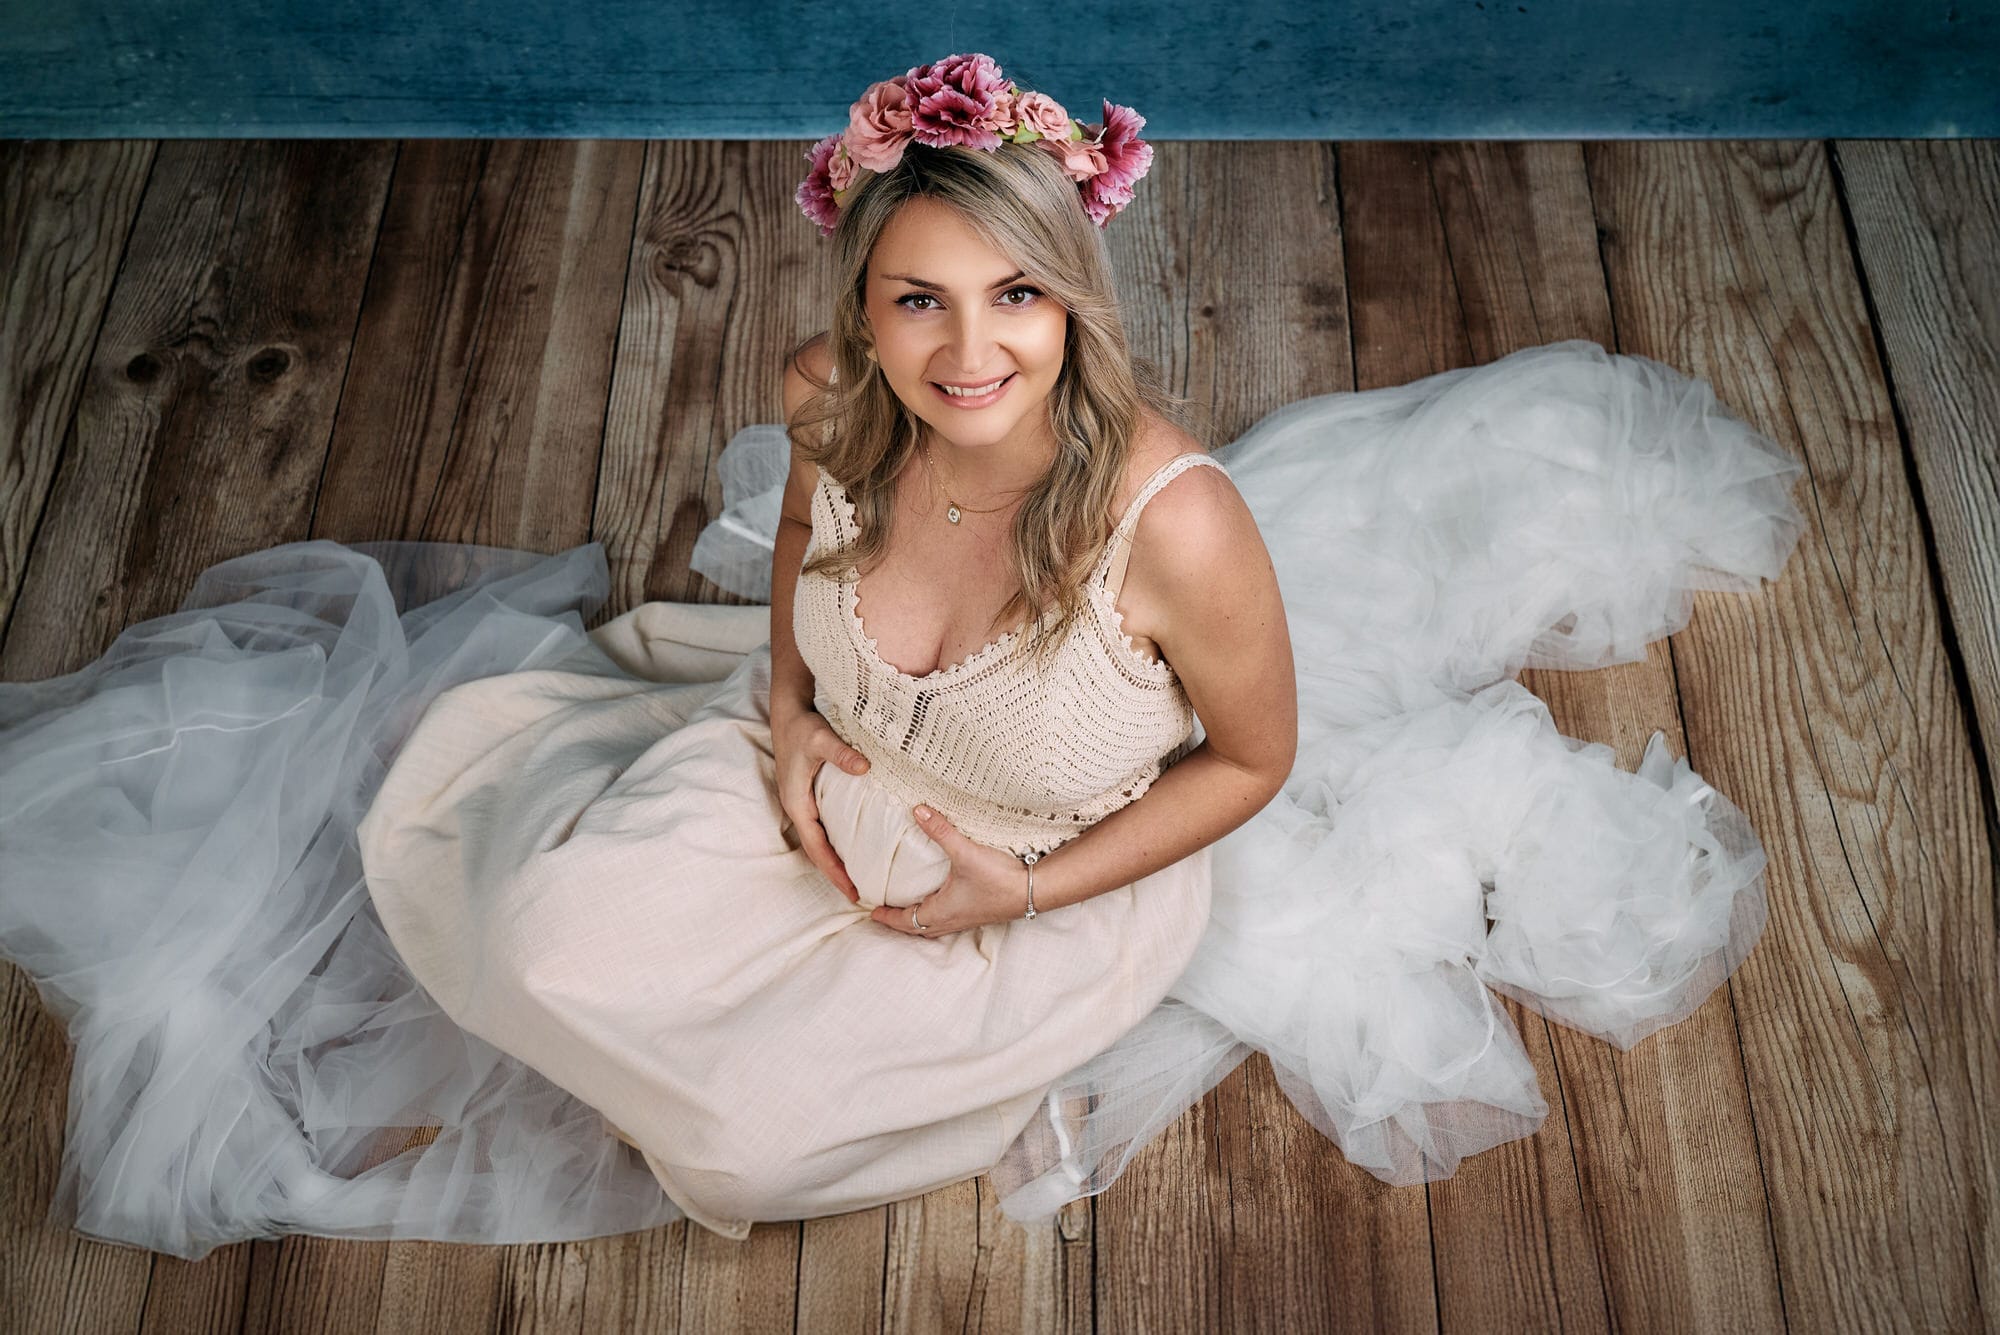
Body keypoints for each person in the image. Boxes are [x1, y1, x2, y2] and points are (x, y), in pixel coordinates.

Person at [0, 53, 1809, 1260]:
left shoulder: (1176, 527)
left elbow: (1251, 764)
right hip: (821, 761)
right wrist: (791, 722)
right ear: (863, 308)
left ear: (1073, 300)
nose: (968, 353)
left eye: (1015, 297)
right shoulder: (833, 397)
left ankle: (872, 1038)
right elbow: (803, 552)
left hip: (1034, 871)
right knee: (536, 922)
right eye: (918, 300)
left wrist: (1008, 896)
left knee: (744, 1146)